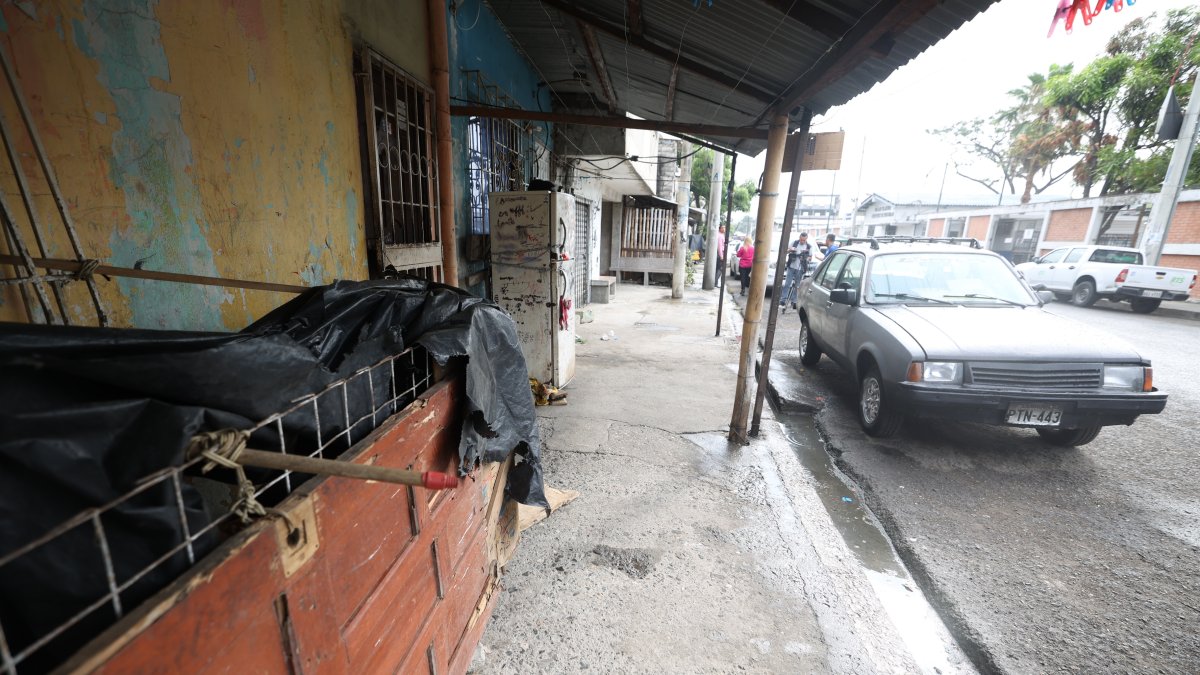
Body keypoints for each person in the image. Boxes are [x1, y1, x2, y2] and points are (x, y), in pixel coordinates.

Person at [779, 232, 812, 308]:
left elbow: (810, 257)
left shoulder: (809, 246)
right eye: (801, 239)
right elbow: (786, 251)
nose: (802, 241)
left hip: (800, 268)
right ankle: (783, 300)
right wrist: (791, 250)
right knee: (787, 284)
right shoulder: (794, 243)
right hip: (791, 266)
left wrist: (805, 258)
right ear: (799, 237)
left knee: (797, 286)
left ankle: (794, 302)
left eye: (804, 240)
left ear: (806, 239)